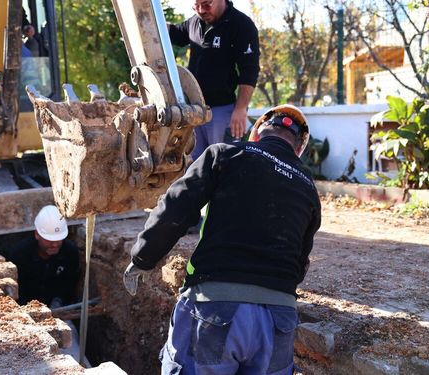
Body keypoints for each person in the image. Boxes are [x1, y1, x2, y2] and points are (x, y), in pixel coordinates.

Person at [123, 104, 322, 374]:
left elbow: (176, 206)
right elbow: (301, 260)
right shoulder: (308, 186)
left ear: (255, 135)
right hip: (279, 322)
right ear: (298, 149)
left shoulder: (227, 154)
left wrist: (143, 257)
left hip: (215, 308)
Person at [168, 0, 260, 160]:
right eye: (196, 6)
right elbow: (174, 33)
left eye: (207, 4)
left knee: (223, 166)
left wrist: (241, 109)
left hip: (222, 112)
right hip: (194, 111)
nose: (202, 10)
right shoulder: (194, 22)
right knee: (194, 167)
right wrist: (148, 19)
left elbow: (250, 70)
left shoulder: (241, 24)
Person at [5, 205, 80, 308]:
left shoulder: (70, 252)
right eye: (49, 239)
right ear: (37, 234)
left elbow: (71, 283)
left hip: (59, 307)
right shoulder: (20, 254)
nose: (54, 244)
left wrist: (59, 300)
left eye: (58, 239)